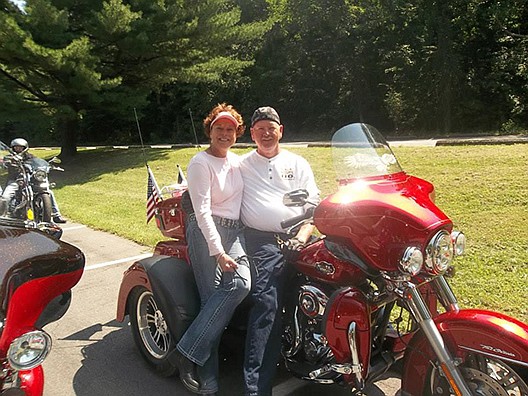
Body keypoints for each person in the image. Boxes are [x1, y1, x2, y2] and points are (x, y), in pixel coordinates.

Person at [240, 106, 320, 396]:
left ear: (281, 130)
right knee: (267, 305)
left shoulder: (297, 163)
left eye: (270, 127)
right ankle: (255, 389)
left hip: (300, 236)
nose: (265, 132)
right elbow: (216, 183)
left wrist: (302, 235)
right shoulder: (242, 165)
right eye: (259, 127)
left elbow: (313, 204)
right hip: (262, 241)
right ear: (252, 133)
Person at [174, 103, 251, 395]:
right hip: (206, 232)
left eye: (230, 129)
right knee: (211, 301)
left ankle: (186, 352)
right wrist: (217, 251)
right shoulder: (199, 163)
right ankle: (208, 379)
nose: (225, 133)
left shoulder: (238, 162)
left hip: (235, 231)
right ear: (210, 130)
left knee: (240, 285)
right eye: (219, 127)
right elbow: (202, 210)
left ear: (237, 133)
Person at [2, 138, 66, 223]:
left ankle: (56, 215)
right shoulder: (10, 157)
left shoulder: (30, 156)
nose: (18, 149)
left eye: (20, 147)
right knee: (5, 196)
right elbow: (5, 163)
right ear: (13, 147)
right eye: (16, 147)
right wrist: (8, 162)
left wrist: (48, 166)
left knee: (49, 192)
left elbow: (38, 162)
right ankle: (2, 217)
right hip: (16, 180)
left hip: (30, 179)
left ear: (25, 147)